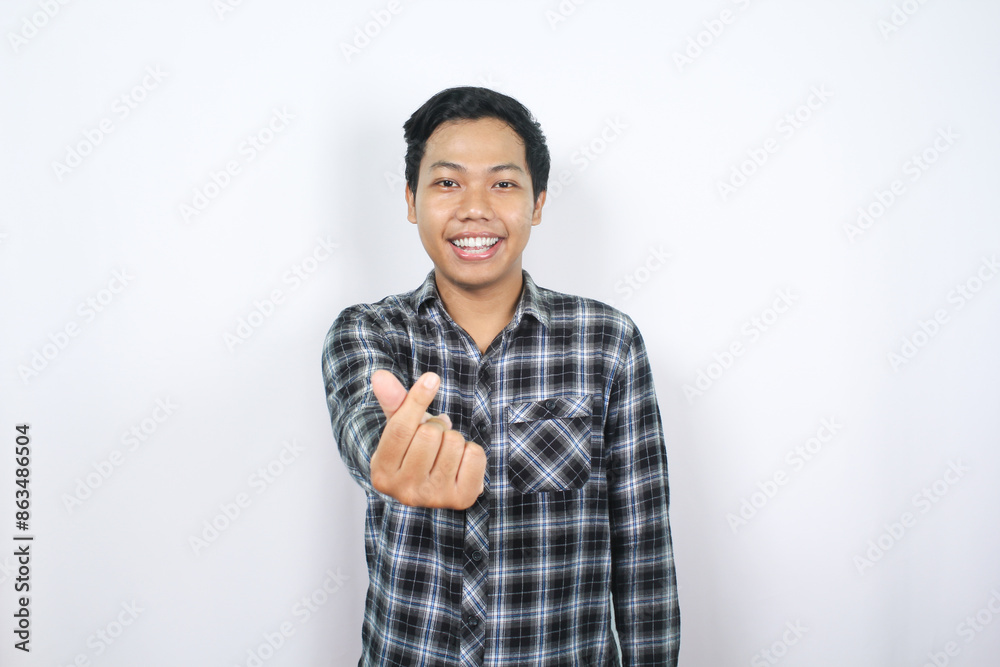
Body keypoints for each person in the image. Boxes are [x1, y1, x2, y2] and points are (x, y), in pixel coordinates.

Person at [321, 86, 679, 666]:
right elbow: (363, 425)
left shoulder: (607, 341)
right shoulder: (367, 332)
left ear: (537, 204)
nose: (475, 207)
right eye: (447, 182)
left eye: (504, 183)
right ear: (412, 200)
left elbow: (644, 554)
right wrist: (393, 457)